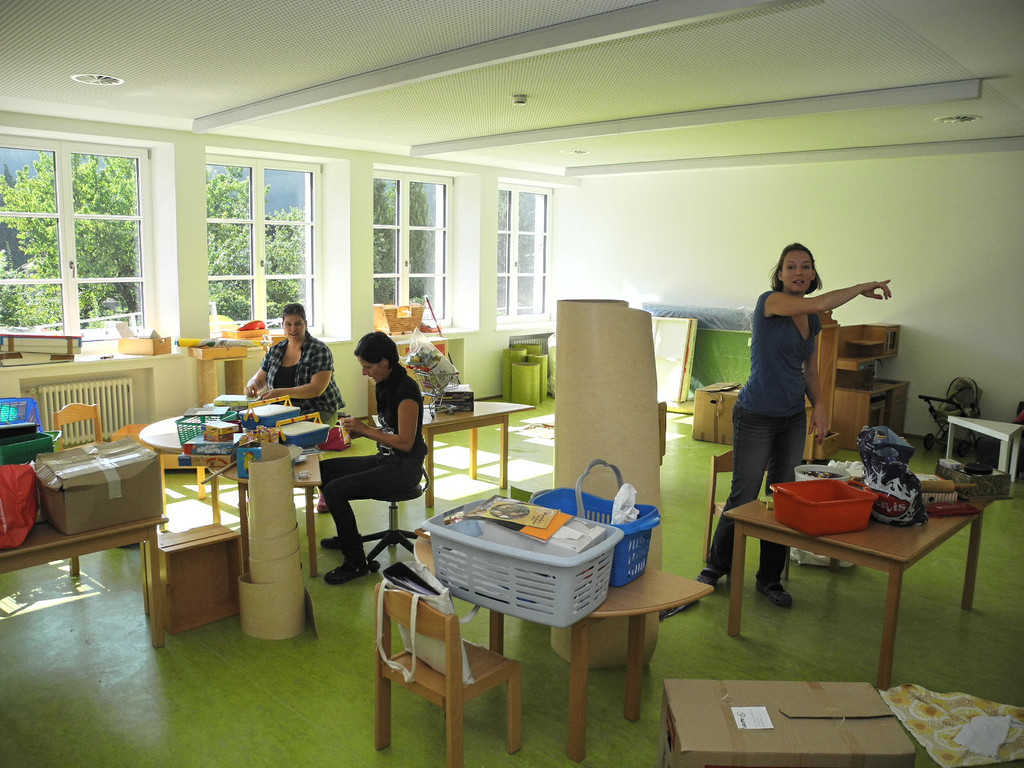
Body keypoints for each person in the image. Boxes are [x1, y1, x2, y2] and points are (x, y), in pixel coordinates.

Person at [698, 243, 892, 608]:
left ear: (814, 273)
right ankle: (715, 568)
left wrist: (820, 407)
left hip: (791, 418)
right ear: (781, 274)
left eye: (805, 266)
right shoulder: (771, 302)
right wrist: (861, 287)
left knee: (783, 496)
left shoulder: (813, 321)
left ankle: (769, 579)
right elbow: (819, 303)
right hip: (756, 415)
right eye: (791, 266)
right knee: (744, 494)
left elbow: (810, 371)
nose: (799, 272)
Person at [318, 331, 427, 585]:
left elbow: (405, 442)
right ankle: (348, 538)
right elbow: (389, 428)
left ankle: (356, 563)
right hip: (387, 460)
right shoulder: (384, 383)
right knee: (324, 472)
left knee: (334, 491)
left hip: (404, 469)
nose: (364, 372)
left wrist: (367, 431)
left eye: (367, 366)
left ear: (384, 362)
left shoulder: (406, 390)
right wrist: (360, 431)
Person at [244, 303, 345, 426]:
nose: (293, 329)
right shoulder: (275, 350)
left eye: (298, 324)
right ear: (283, 326)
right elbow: (259, 381)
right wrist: (252, 385)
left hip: (317, 409)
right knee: (255, 427)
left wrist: (280, 393)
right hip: (282, 410)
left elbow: (316, 389)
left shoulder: (319, 349)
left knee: (295, 432)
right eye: (288, 324)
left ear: (305, 324)